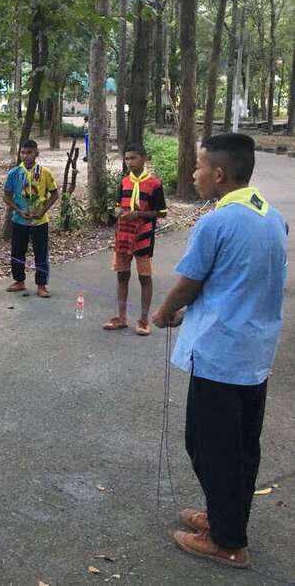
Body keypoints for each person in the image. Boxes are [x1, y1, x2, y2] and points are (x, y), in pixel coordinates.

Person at [153, 133, 287, 569]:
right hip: (254, 356)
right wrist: (187, 311)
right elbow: (234, 279)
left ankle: (228, 542)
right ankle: (224, 518)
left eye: (198, 166)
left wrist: (165, 312)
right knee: (241, 446)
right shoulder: (272, 217)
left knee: (210, 447)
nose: (193, 174)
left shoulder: (217, 222)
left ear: (220, 173)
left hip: (220, 357)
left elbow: (190, 281)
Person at [103, 145, 167, 336]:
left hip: (143, 236)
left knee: (144, 277)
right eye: (127, 159)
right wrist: (117, 211)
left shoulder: (154, 184)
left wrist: (138, 214)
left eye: (133, 158)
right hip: (123, 234)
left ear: (144, 158)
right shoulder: (124, 182)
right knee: (122, 275)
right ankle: (121, 317)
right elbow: (117, 204)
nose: (129, 162)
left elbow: (161, 212)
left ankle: (144, 319)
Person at [3, 140, 59, 297]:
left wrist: (42, 210)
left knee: (41, 253)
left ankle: (41, 285)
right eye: (23, 152)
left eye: (29, 152)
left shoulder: (45, 172)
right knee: (17, 251)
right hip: (19, 220)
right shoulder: (14, 173)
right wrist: (18, 210)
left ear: (36, 154)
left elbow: (54, 194)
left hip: (39, 222)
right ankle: (19, 281)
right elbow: (6, 196)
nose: (25, 156)